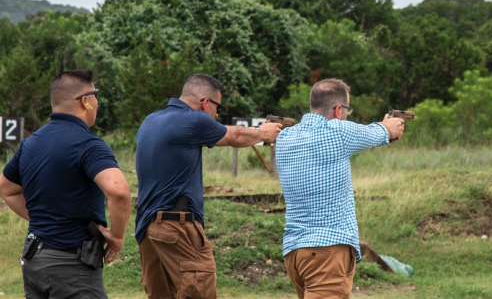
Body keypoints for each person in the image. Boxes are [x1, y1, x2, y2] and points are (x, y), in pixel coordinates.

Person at [134, 73, 282, 299]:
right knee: (199, 291)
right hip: (177, 227)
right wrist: (264, 133)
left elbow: (224, 136)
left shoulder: (151, 120)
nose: (216, 114)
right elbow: (234, 137)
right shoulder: (194, 120)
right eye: (218, 109)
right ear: (205, 103)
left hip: (148, 229)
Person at [0, 69, 132, 299]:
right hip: (71, 265)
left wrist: (45, 219)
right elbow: (118, 192)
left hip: (34, 260)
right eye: (96, 95)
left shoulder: (30, 144)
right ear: (85, 101)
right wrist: (117, 237)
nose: (97, 102)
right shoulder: (88, 145)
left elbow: (6, 188)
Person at [276, 78, 405, 299]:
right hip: (327, 250)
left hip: (295, 252)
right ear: (338, 109)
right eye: (347, 110)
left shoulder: (286, 137)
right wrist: (392, 126)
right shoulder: (337, 131)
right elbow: (384, 131)